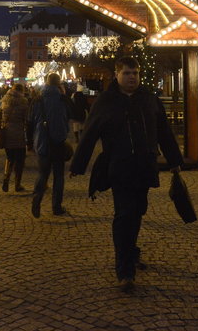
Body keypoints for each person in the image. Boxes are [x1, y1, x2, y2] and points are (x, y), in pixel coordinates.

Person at [70, 56, 184, 293]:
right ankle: (124, 270)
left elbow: (163, 131)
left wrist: (174, 160)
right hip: (119, 167)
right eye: (127, 73)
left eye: (135, 73)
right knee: (124, 214)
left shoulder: (149, 100)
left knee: (138, 211)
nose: (132, 77)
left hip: (144, 165)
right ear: (117, 74)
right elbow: (90, 132)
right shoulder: (107, 101)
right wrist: (78, 164)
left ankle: (131, 253)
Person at [28, 72, 71, 218]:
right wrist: (64, 94)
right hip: (58, 142)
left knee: (42, 173)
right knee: (59, 176)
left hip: (42, 142)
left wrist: (30, 142)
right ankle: (56, 206)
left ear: (46, 83)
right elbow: (70, 115)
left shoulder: (38, 99)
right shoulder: (62, 99)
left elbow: (31, 121)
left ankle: (37, 198)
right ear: (59, 84)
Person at [0, 83, 30, 193]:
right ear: (21, 91)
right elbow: (27, 119)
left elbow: (0, 117)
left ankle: (6, 178)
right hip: (19, 134)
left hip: (7, 133)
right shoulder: (23, 102)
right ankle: (17, 184)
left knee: (9, 157)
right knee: (20, 160)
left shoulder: (5, 100)